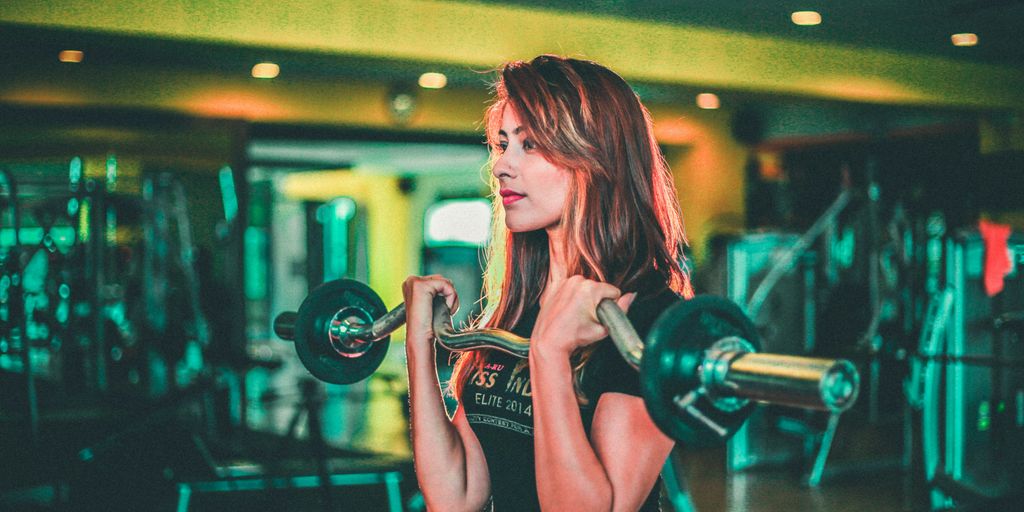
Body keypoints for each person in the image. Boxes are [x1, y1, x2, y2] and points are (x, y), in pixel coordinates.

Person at [402, 54, 693, 511]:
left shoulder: (650, 320)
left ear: (595, 157)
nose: (500, 166)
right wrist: (419, 343)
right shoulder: (517, 310)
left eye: (529, 144)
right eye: (501, 145)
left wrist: (550, 355)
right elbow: (454, 497)